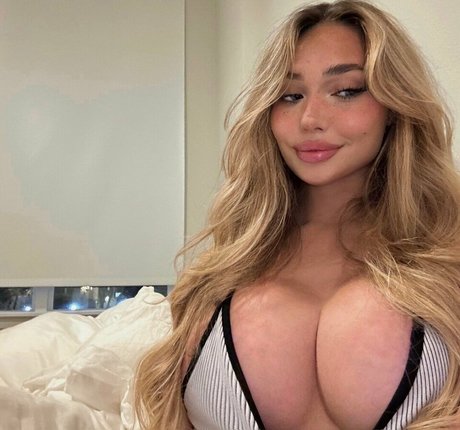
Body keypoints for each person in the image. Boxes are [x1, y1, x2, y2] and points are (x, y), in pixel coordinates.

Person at [135, 1, 460, 429]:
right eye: (290, 95)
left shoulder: (447, 259)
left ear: (394, 106)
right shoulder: (224, 270)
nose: (310, 119)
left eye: (346, 90)